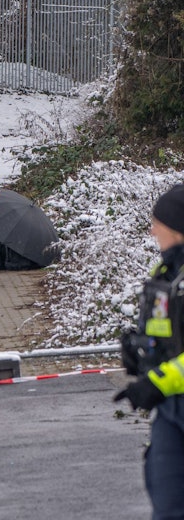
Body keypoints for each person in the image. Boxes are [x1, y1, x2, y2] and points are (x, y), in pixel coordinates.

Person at [115, 184, 184, 520]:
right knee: (166, 498)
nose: (153, 230)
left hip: (171, 394)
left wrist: (157, 382)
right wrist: (140, 353)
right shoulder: (167, 273)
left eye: (159, 222)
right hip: (171, 408)